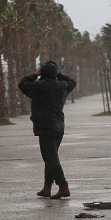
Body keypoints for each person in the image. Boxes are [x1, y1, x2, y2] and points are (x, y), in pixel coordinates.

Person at [18, 61, 76, 199]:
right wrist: (58, 73)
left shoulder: (39, 86)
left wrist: (35, 74)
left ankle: (63, 186)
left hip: (45, 127)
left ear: (43, 73)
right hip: (59, 127)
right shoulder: (62, 86)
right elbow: (72, 81)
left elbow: (22, 84)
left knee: (50, 159)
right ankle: (47, 187)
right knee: (51, 157)